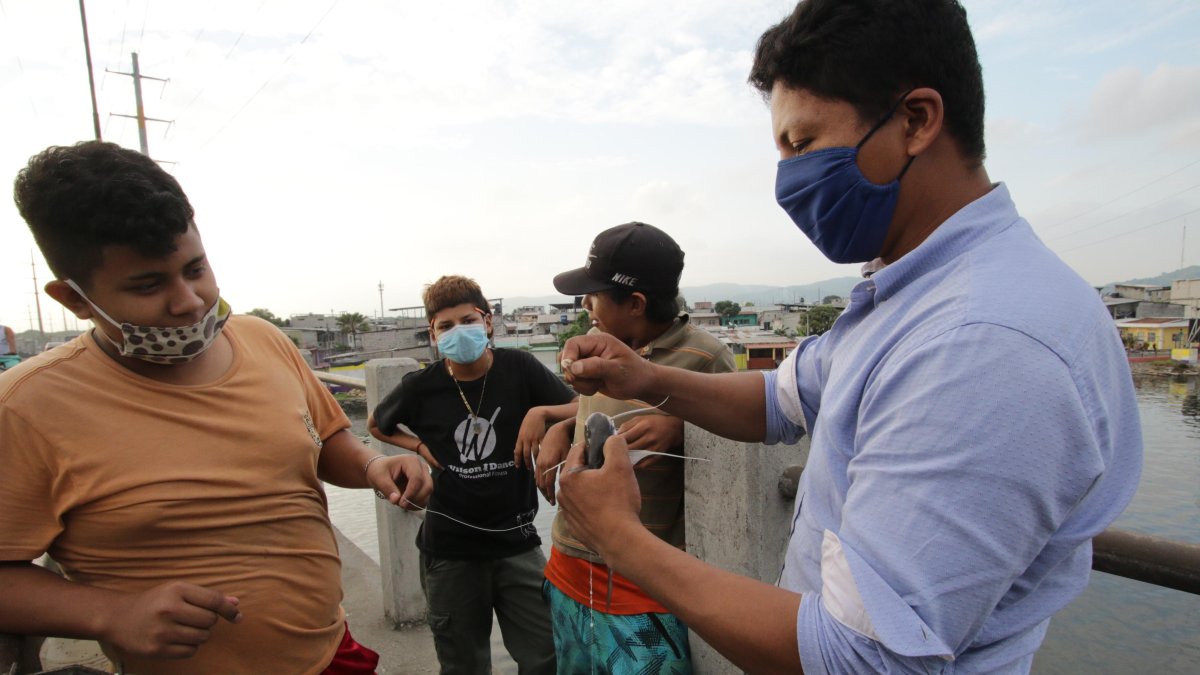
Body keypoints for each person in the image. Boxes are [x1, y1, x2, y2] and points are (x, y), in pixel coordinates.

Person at [554, 1, 1143, 673]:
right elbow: (784, 398)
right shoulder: (912, 286)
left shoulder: (981, 342)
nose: (786, 183)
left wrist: (622, 539)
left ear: (916, 120)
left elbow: (859, 657)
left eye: (801, 145)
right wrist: (648, 378)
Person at [0, 141, 433, 675]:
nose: (189, 300)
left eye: (195, 268)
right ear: (74, 299)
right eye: (148, 285)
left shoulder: (263, 340)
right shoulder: (26, 408)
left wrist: (373, 465)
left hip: (330, 651)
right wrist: (109, 613)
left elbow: (326, 442)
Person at [536, 222, 735, 673]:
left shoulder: (706, 359)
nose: (584, 305)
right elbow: (595, 417)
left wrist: (683, 426)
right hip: (569, 561)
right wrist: (557, 427)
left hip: (643, 583)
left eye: (594, 294)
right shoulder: (600, 351)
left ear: (636, 304)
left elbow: (741, 436)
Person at [368, 275, 576, 675]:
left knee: (545, 656)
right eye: (445, 325)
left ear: (488, 321)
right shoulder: (421, 387)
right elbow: (377, 425)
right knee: (464, 664)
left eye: (467, 320)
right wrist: (420, 448)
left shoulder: (520, 368)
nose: (458, 331)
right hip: (450, 551)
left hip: (517, 543)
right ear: (433, 333)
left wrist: (543, 413)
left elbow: (581, 405)